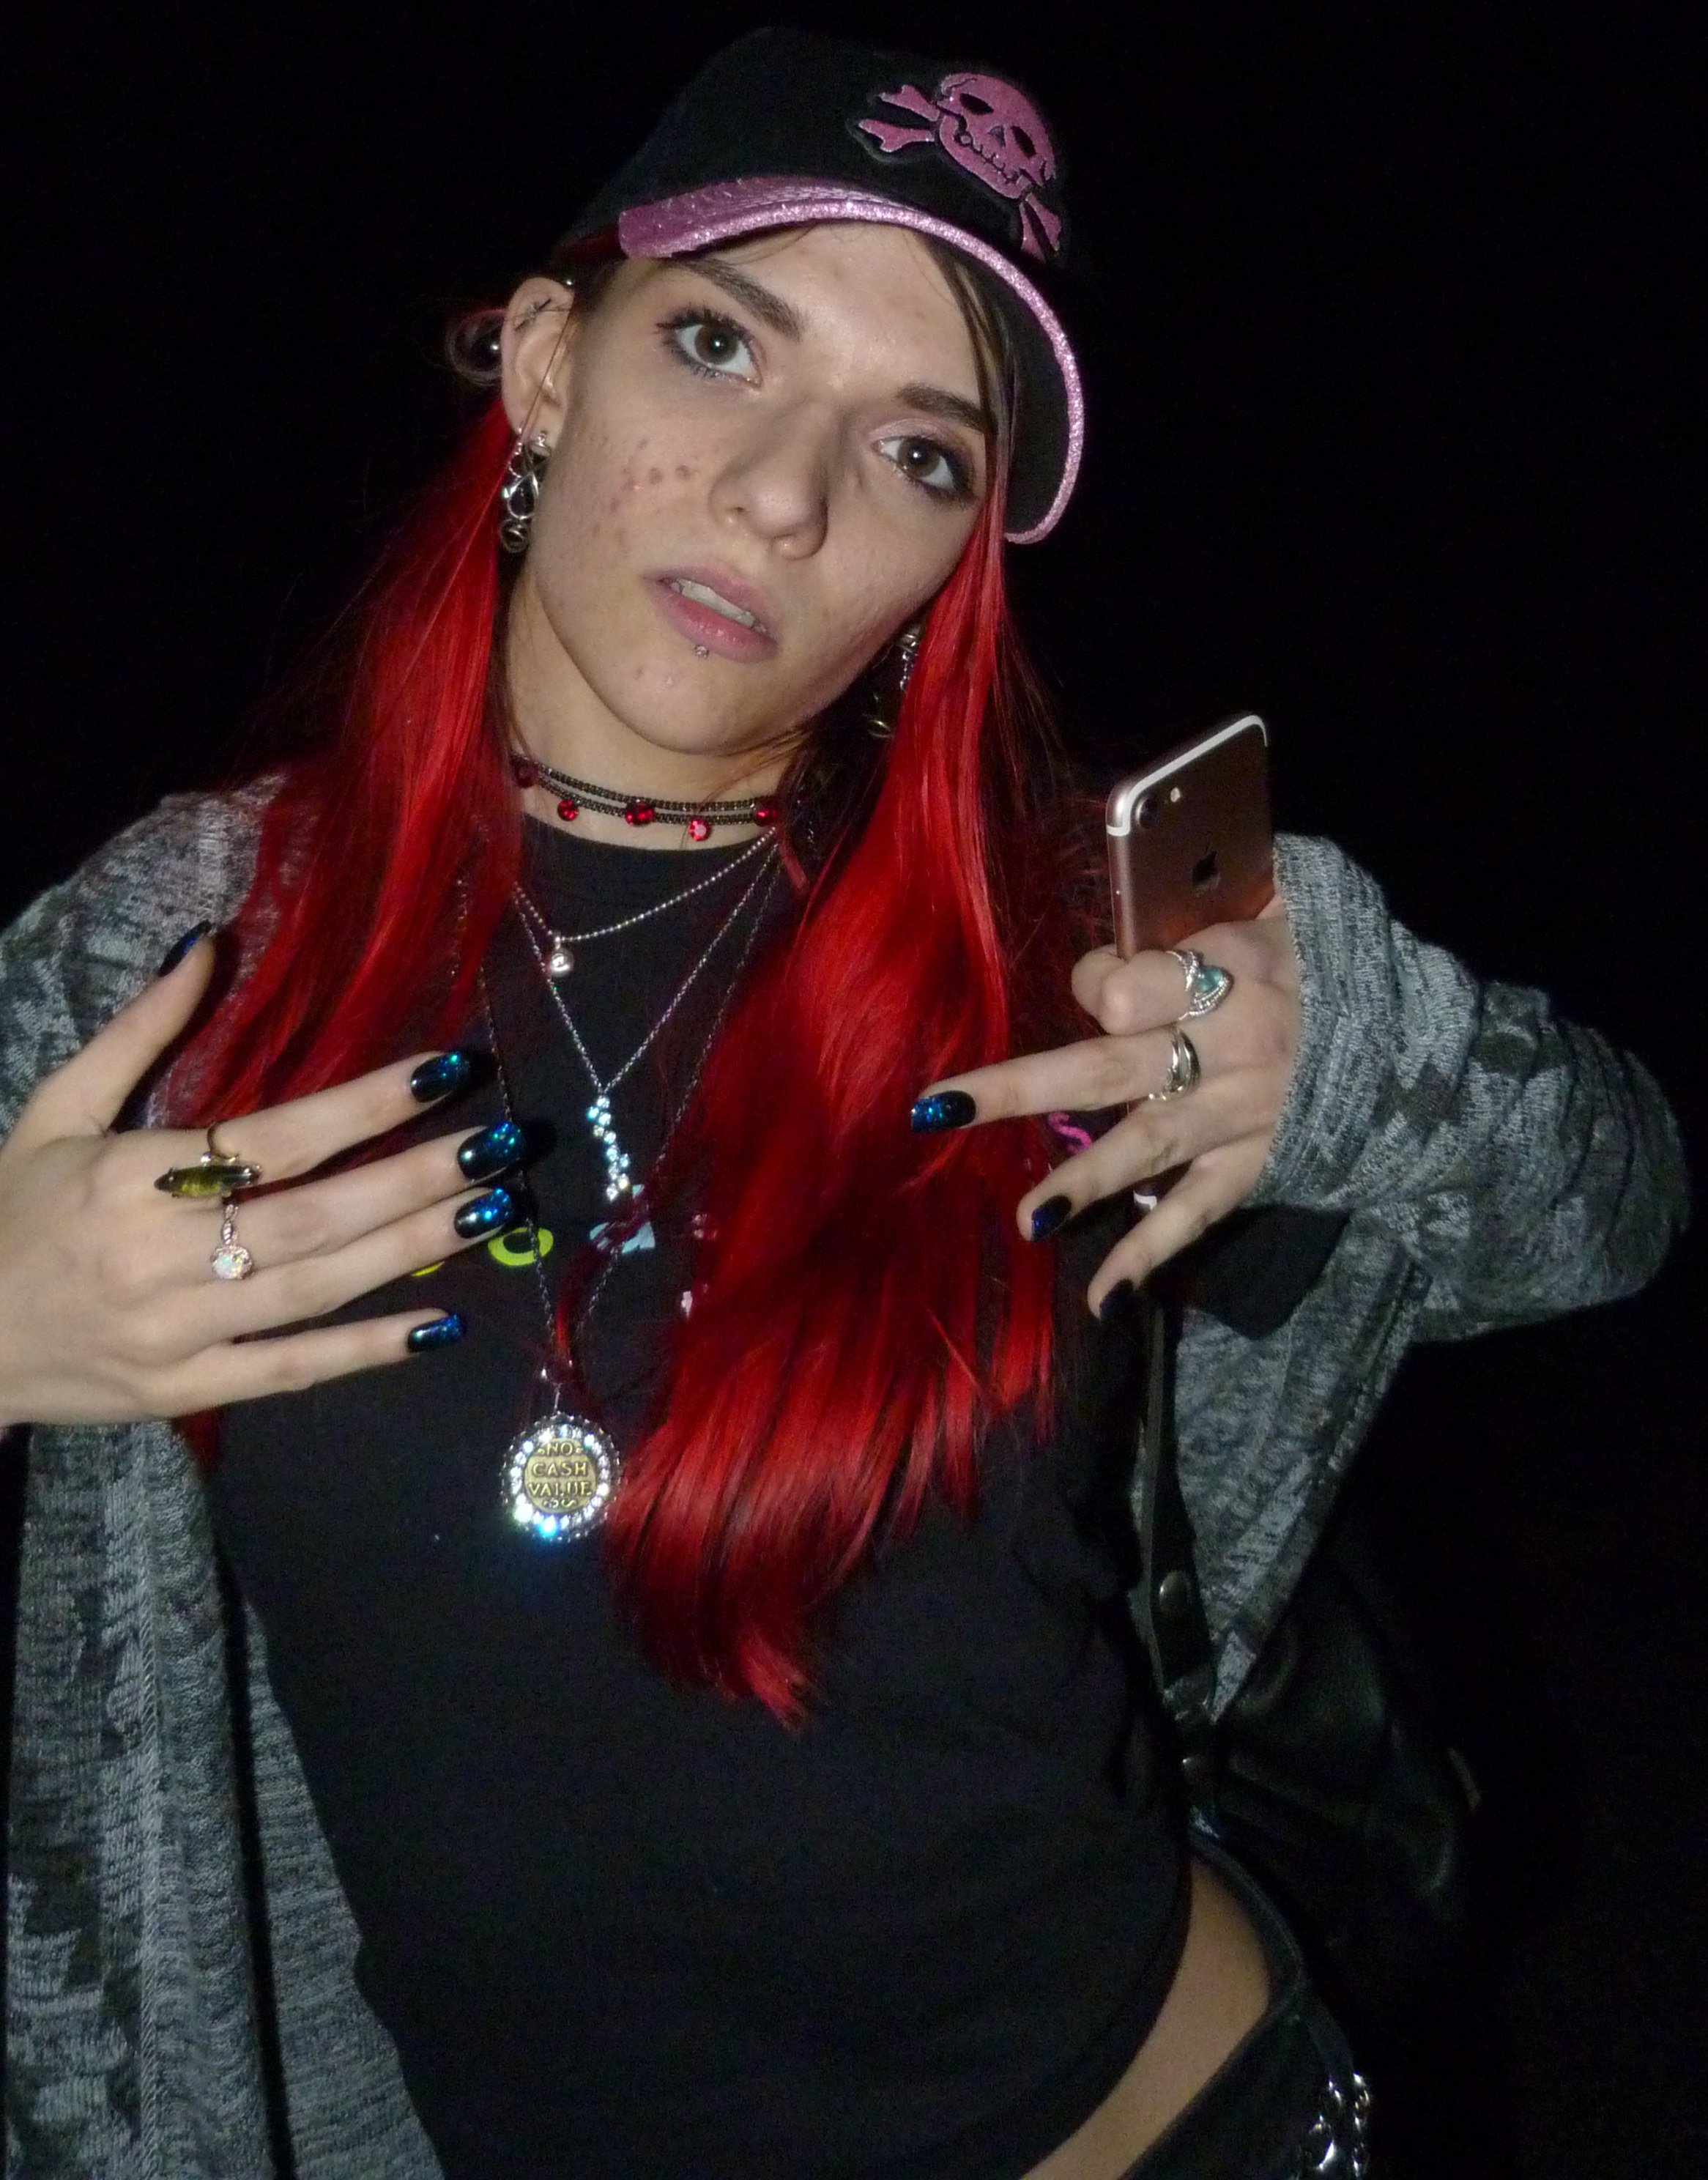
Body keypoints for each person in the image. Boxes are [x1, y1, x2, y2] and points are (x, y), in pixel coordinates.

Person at [0, 27, 1685, 2179]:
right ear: (546, 364)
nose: (787, 498)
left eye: (919, 455)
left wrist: (1350, 1066)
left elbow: (1611, 1204)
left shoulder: (1068, 957)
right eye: (718, 344)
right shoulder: (175, 957)